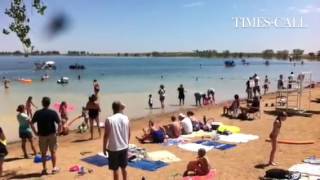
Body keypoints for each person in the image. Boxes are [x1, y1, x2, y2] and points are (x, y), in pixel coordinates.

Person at [31, 97, 61, 175]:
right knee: (53, 152)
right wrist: (58, 132)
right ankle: (54, 168)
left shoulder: (38, 112)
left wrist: (35, 132)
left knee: (43, 153)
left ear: (42, 103)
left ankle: (44, 169)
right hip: (52, 135)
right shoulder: (53, 112)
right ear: (49, 103)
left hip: (42, 135)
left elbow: (31, 123)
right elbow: (59, 123)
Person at [103, 101, 130, 180]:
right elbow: (129, 133)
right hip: (124, 146)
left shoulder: (109, 119)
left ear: (112, 108)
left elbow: (106, 136)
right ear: (120, 108)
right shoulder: (126, 118)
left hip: (114, 148)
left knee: (115, 170)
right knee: (124, 168)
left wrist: (104, 148)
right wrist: (127, 144)